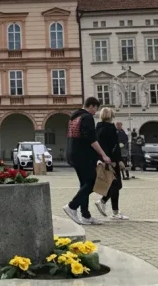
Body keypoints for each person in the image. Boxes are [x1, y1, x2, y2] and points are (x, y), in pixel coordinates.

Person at [63, 97, 111, 226]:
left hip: (72, 154)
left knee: (84, 184)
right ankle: (72, 206)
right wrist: (103, 155)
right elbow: (91, 139)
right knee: (92, 181)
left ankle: (86, 215)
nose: (96, 112)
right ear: (91, 106)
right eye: (96, 108)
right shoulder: (87, 117)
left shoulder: (74, 116)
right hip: (82, 155)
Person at [95, 109, 129, 220]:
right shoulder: (110, 128)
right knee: (116, 185)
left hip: (105, 159)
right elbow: (114, 146)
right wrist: (118, 160)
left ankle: (111, 209)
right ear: (110, 116)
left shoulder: (98, 127)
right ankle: (106, 204)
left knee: (114, 185)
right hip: (112, 161)